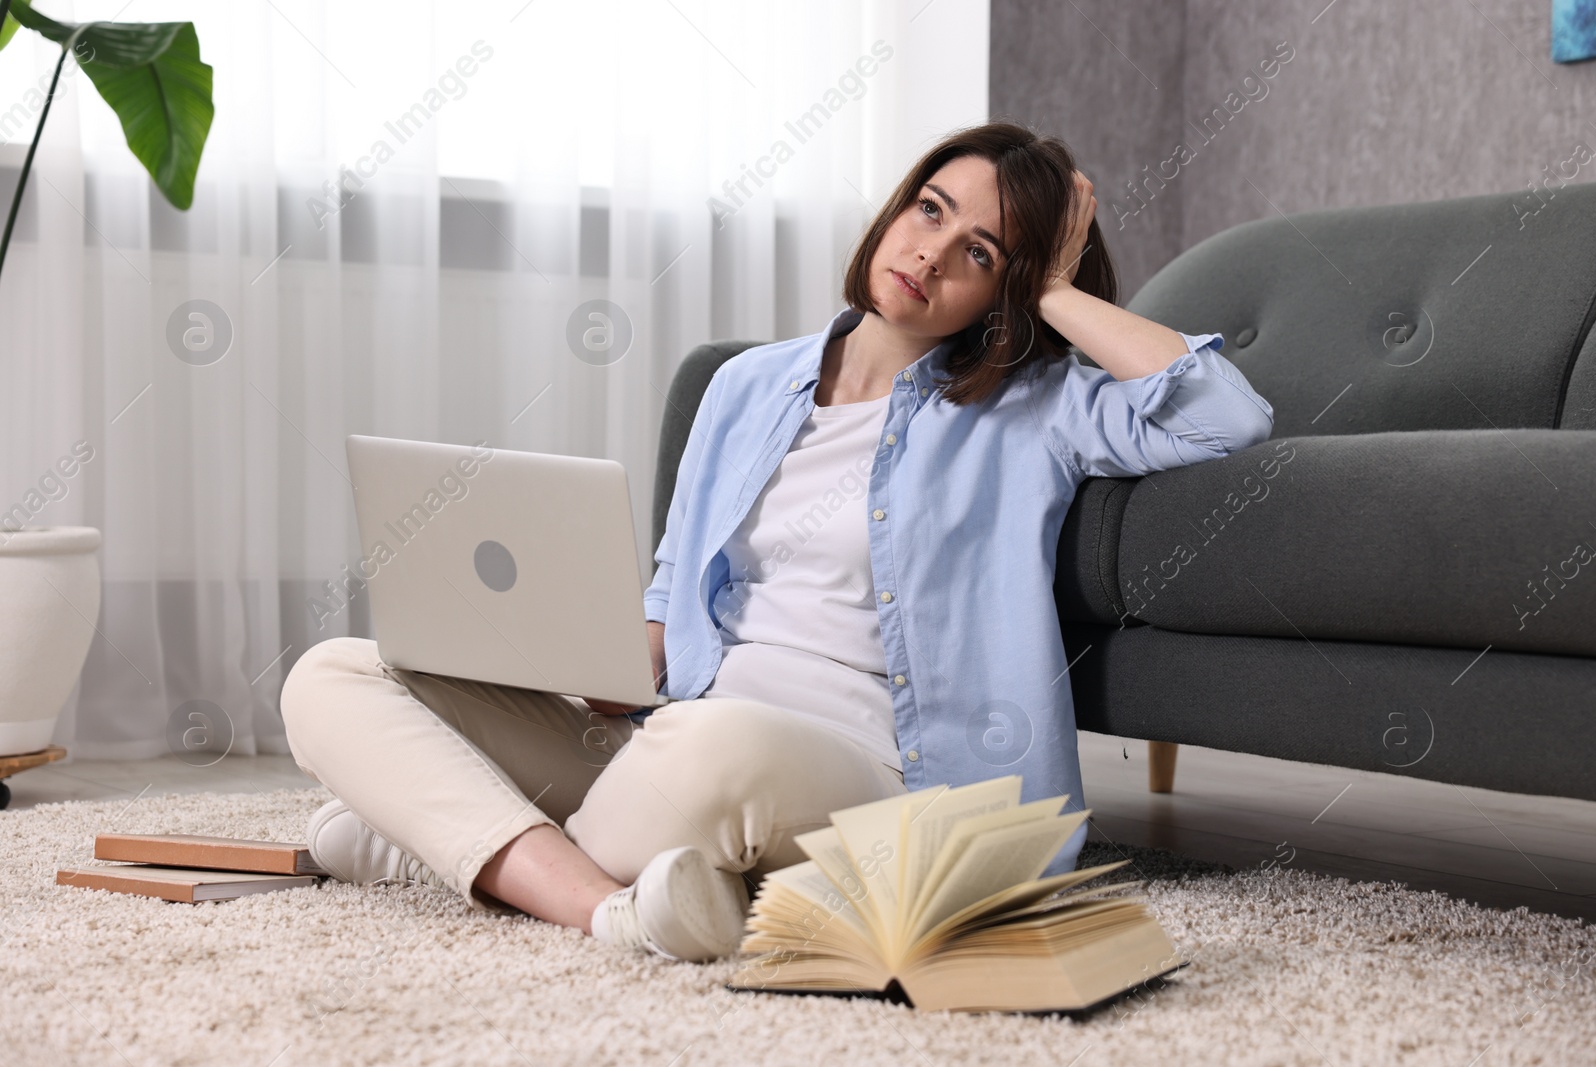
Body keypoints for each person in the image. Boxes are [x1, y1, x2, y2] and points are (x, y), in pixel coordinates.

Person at [278, 120, 1274, 964]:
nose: (930, 252)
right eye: (930, 209)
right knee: (333, 673)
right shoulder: (745, 384)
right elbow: (672, 609)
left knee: (709, 747)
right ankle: (602, 903)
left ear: (1005, 290)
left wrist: (1054, 285)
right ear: (895, 207)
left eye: (981, 253)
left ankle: (434, 840)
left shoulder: (1036, 406)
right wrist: (594, 660)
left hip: (875, 775)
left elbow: (1217, 413)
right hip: (668, 734)